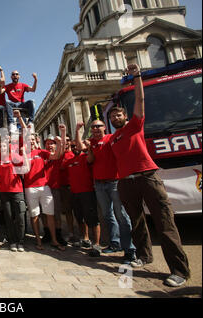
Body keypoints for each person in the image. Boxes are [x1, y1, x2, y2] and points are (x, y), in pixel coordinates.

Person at [108, 64, 190, 287]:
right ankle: (144, 256)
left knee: (164, 223)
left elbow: (140, 102)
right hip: (126, 182)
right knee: (136, 222)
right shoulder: (112, 138)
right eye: (113, 115)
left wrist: (136, 77)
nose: (116, 116)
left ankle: (179, 270)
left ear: (126, 116)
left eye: (119, 113)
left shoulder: (136, 125)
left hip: (147, 177)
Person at [77, 120, 137, 264]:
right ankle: (115, 243)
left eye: (99, 126)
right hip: (99, 183)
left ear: (105, 127)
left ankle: (130, 250)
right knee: (107, 215)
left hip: (114, 181)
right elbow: (80, 147)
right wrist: (78, 130)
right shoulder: (91, 141)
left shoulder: (110, 138)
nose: (96, 128)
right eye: (93, 127)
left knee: (121, 215)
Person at [14, 111, 65, 251]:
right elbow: (23, 170)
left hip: (44, 187)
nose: (30, 140)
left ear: (35, 140)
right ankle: (38, 240)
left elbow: (56, 156)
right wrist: (19, 118)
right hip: (30, 188)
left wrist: (60, 142)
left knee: (50, 214)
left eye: (32, 139)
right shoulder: (21, 154)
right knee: (34, 215)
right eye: (27, 139)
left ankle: (54, 240)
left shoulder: (40, 152)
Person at [65, 127, 102, 257]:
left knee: (92, 219)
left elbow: (91, 158)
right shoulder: (69, 161)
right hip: (74, 193)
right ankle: (85, 239)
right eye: (73, 146)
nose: (75, 147)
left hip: (87, 192)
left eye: (76, 145)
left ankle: (96, 243)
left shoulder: (86, 157)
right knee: (79, 218)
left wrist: (87, 145)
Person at [0, 137, 29, 252]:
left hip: (17, 192)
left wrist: (24, 153)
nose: (3, 148)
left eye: (5, 146)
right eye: (1, 146)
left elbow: (26, 169)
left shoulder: (14, 157)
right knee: (9, 218)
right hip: (5, 193)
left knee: (20, 217)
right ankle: (12, 241)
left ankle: (20, 241)